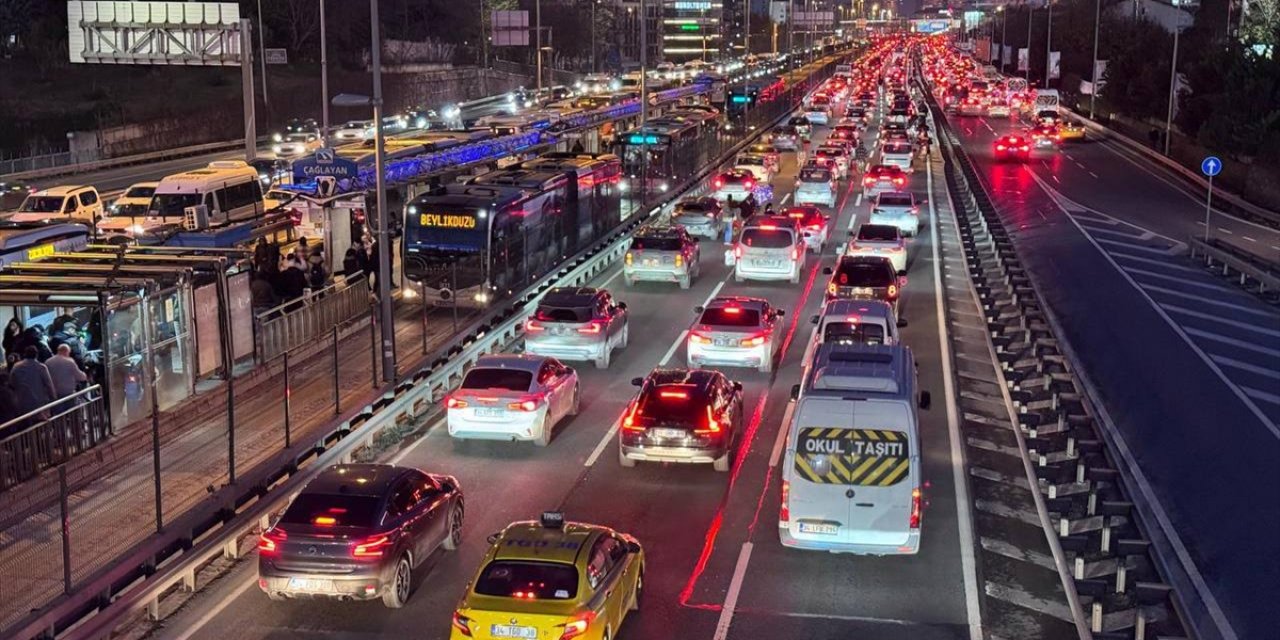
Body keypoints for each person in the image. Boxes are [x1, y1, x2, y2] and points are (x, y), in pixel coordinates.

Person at [9, 346, 56, 420]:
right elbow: (49, 384)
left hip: (22, 402)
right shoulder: (41, 367)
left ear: (25, 354)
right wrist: (53, 398)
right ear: (36, 355)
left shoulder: (16, 366)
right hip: (39, 403)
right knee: (40, 425)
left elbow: (12, 383)